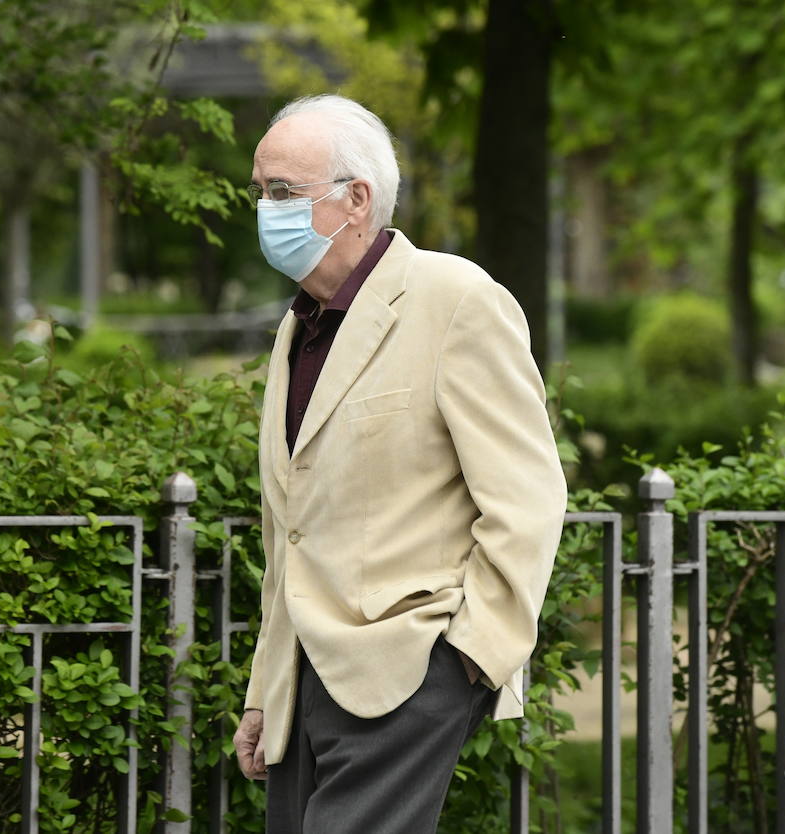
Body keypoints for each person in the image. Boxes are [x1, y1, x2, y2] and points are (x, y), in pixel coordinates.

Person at [232, 93, 568, 833]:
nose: (265, 209)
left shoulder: (456, 299)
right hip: (305, 683)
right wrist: (266, 692)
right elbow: (289, 534)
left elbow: (528, 499)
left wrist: (467, 663)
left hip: (407, 669)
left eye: (283, 192)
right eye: (259, 192)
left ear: (356, 200)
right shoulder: (300, 327)